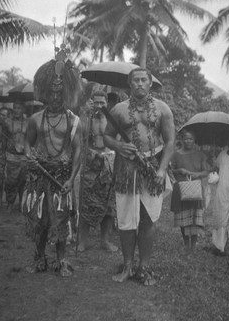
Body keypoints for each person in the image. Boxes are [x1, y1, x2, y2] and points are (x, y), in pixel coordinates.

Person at [104, 68, 175, 285]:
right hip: (126, 168)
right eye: (136, 80)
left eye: (144, 80)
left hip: (153, 167)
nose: (140, 84)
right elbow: (106, 136)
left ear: (151, 83)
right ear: (129, 84)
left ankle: (144, 267)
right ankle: (127, 266)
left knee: (148, 218)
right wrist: (117, 145)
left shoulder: (163, 109)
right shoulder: (119, 109)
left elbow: (170, 141)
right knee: (126, 219)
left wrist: (162, 170)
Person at [22, 54, 82, 277]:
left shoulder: (74, 121)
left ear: (65, 94)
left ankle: (62, 260)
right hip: (40, 174)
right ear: (46, 94)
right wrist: (30, 157)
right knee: (39, 220)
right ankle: (39, 259)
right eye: (52, 93)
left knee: (60, 219)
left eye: (60, 93)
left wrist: (70, 178)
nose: (56, 97)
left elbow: (78, 151)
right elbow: (27, 144)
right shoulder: (36, 119)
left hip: (61, 176)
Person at [77, 90, 117, 252]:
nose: (99, 106)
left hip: (108, 163)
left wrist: (110, 154)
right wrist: (85, 113)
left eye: (102, 103)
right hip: (90, 163)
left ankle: (105, 240)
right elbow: (80, 138)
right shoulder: (86, 118)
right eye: (96, 102)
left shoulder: (113, 119)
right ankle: (83, 240)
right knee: (86, 201)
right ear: (92, 102)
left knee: (108, 204)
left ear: (107, 103)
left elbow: (117, 140)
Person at [170, 129, 209, 251]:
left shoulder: (200, 154)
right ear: (181, 140)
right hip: (181, 189)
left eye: (191, 139)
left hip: (195, 188)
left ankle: (193, 244)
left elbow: (205, 171)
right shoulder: (175, 155)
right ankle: (186, 243)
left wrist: (193, 174)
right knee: (184, 217)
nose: (188, 141)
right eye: (186, 138)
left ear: (194, 140)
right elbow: (171, 171)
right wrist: (179, 171)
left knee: (195, 216)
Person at [4, 101, 28, 211]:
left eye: (19, 108)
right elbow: (3, 136)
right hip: (11, 157)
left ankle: (21, 204)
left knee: (23, 181)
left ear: (23, 109)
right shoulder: (7, 122)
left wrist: (25, 146)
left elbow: (32, 139)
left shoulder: (29, 122)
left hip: (24, 158)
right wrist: (12, 144)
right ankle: (10, 203)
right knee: (11, 182)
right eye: (15, 108)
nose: (17, 110)